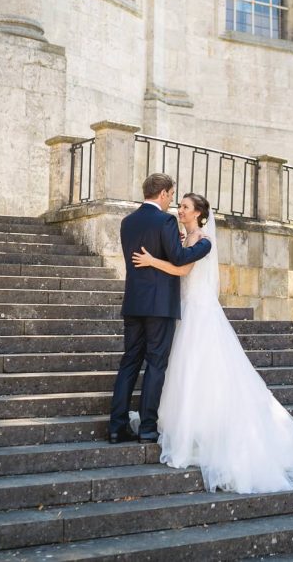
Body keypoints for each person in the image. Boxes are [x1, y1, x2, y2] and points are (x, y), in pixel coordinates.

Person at [131, 192, 293, 493]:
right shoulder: (183, 238)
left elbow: (183, 270)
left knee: (199, 368)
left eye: (185, 207)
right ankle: (186, 427)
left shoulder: (204, 242)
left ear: (198, 213)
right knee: (184, 372)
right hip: (182, 310)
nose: (179, 210)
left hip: (199, 312)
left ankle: (205, 432)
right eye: (179, 205)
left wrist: (151, 260)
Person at [107, 174, 212, 444]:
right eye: (171, 195)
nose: (173, 203)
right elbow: (178, 257)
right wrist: (203, 245)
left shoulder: (127, 222)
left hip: (133, 303)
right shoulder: (165, 221)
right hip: (160, 306)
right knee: (155, 364)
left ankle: (116, 427)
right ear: (163, 193)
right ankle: (148, 428)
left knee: (129, 362)